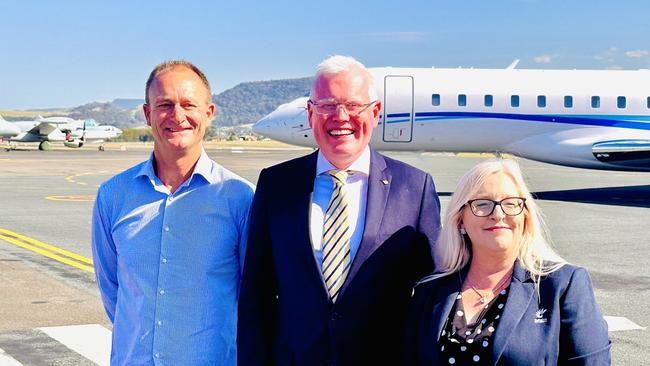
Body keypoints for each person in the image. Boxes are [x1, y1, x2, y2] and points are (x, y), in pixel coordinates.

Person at [238, 55, 441, 365]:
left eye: (354, 105)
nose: (341, 116)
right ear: (310, 114)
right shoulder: (276, 185)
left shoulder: (414, 188)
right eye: (327, 105)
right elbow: (256, 293)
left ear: (375, 113)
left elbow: (432, 297)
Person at [91, 60, 254, 365]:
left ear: (209, 114)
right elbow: (114, 292)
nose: (177, 116)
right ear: (147, 114)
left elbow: (251, 294)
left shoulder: (239, 197)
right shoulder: (113, 196)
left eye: (188, 104)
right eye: (164, 104)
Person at [404, 159, 611, 365]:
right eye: (482, 204)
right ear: (460, 220)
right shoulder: (429, 291)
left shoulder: (562, 286)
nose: (498, 214)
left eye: (511, 203)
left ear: (525, 217)